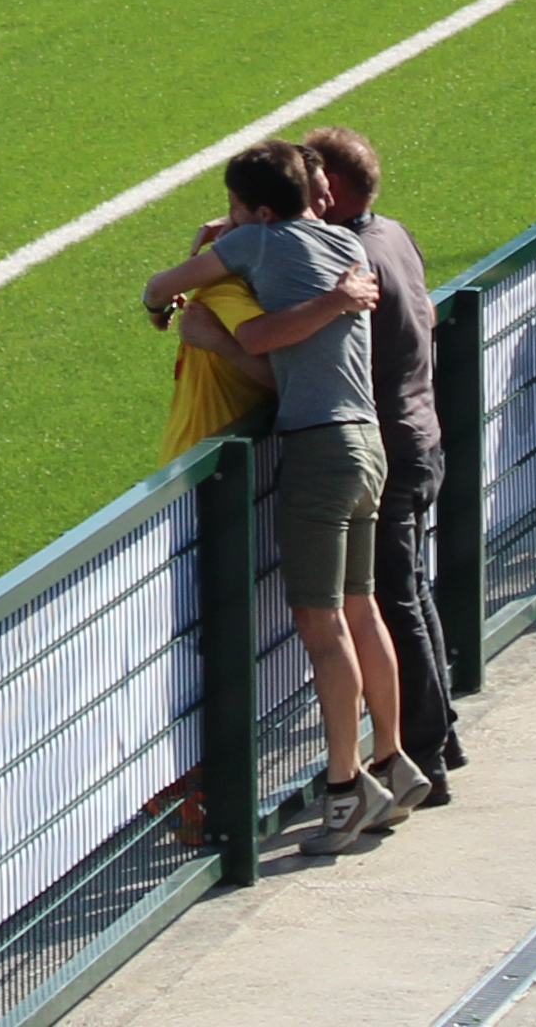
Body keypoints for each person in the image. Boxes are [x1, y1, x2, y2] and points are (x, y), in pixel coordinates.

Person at [143, 140, 431, 855]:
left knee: (320, 623)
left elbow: (163, 287)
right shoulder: (343, 241)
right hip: (369, 445)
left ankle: (345, 787)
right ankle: (393, 760)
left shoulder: (260, 248)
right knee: (362, 607)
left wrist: (198, 302)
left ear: (259, 213)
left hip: (320, 448)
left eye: (238, 208)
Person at [303, 126, 466, 804]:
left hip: (393, 447)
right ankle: (440, 733)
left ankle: (421, 754)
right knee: (411, 593)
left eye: (311, 187)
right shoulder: (391, 234)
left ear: (333, 189)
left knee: (393, 600)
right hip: (423, 433)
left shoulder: (354, 263)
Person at [158, 148, 333, 465]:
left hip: (210, 464)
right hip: (220, 458)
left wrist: (214, 340)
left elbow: (286, 378)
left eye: (233, 207)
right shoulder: (338, 255)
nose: (326, 207)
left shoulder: (228, 289)